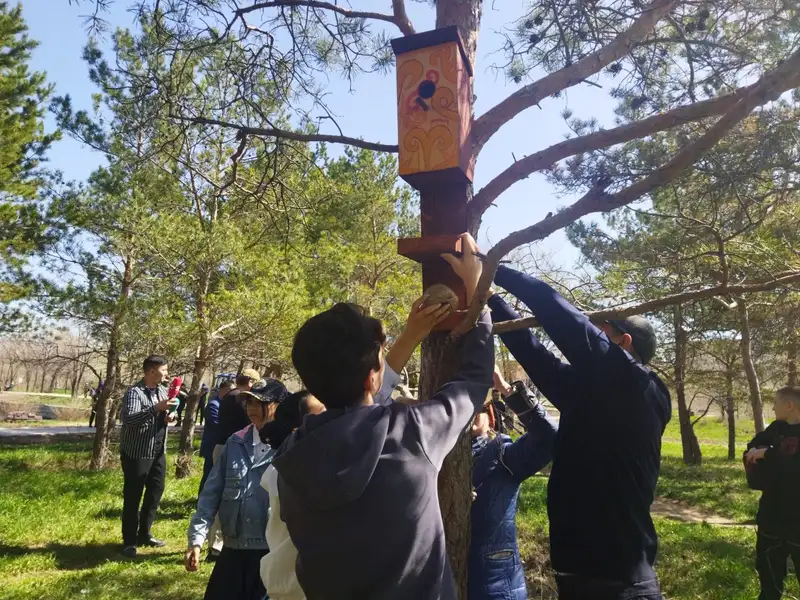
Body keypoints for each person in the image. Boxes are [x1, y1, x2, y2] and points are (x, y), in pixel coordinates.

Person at [273, 232, 493, 599]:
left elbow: (354, 410)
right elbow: (472, 383)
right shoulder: (411, 434)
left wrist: (409, 337)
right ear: (372, 375)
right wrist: (479, 293)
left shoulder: (290, 463)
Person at [488, 263, 671, 600]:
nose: (591, 341)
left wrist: (493, 268)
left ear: (624, 343)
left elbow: (562, 317)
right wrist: (490, 297)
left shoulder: (639, 387)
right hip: (577, 580)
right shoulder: (590, 392)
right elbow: (534, 353)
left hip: (623, 585)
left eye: (600, 334)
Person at [256, 296, 445, 600]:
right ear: (299, 426)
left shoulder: (295, 461)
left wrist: (410, 336)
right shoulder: (328, 459)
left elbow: (371, 393)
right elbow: (370, 399)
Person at [185, 379, 288, 600]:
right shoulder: (235, 443)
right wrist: (196, 540)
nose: (251, 409)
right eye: (248, 402)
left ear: (279, 406)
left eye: (260, 403)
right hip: (233, 553)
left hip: (272, 554)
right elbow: (210, 495)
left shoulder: (291, 447)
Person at [469, 367, 558, 600]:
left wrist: (507, 390)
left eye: (475, 409)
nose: (467, 416)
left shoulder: (500, 454)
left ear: (490, 415)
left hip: (494, 587)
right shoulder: (434, 456)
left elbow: (549, 437)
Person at [259, 391, 326, 600]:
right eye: (324, 413)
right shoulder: (299, 472)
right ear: (300, 430)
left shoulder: (283, 465)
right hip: (299, 589)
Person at [744, 386, 800, 600]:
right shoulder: (776, 429)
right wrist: (765, 456)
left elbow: (794, 465)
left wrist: (768, 454)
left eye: (776, 402)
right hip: (771, 519)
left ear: (789, 405)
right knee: (769, 582)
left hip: (798, 523)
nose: (773, 407)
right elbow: (752, 449)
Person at [119, 355, 178, 558]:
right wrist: (156, 408)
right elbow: (130, 420)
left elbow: (166, 413)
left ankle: (145, 533)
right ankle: (129, 541)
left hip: (158, 451)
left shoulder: (163, 390)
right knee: (133, 496)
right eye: (164, 370)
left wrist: (170, 416)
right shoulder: (134, 393)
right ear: (151, 371)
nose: (167, 374)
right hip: (137, 453)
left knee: (155, 493)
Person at [199, 380, 233, 494]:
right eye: (231, 391)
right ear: (224, 390)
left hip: (220, 446)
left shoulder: (225, 405)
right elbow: (217, 425)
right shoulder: (214, 405)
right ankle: (201, 503)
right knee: (209, 476)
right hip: (212, 447)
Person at [215, 368, 261, 448]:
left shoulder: (231, 394)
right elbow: (251, 423)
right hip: (233, 448)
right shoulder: (240, 397)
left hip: (226, 445)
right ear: (251, 382)